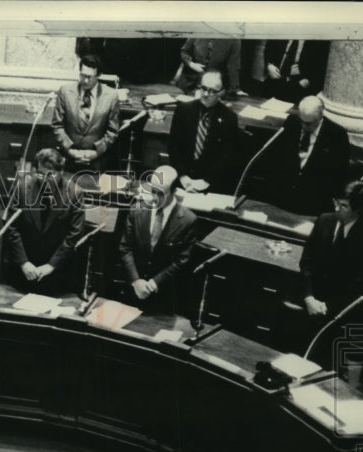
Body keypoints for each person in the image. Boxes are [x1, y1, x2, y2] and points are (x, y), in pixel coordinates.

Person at [1, 148, 87, 294]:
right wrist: (24, 262)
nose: (45, 179)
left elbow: (75, 233)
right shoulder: (21, 187)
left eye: (51, 174)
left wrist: (52, 265)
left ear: (61, 172)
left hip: (56, 271)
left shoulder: (75, 193)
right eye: (40, 174)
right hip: (23, 268)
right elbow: (10, 227)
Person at [119, 165, 199, 313]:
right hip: (132, 292)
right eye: (152, 191)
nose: (155, 197)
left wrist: (154, 284)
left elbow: (182, 261)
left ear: (174, 192)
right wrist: (136, 280)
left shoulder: (188, 220)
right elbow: (125, 248)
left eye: (161, 194)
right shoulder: (136, 210)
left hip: (165, 299)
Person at [265, 95, 349, 216]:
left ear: (320, 116)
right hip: (282, 199)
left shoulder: (336, 135)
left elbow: (337, 176)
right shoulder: (292, 123)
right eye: (301, 121)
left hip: (314, 205)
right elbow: (278, 159)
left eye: (308, 123)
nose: (303, 126)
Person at [300, 180, 363, 321]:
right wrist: (308, 297)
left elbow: (359, 282)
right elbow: (306, 262)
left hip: (340, 310)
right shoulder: (324, 221)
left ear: (358, 208)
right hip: (311, 299)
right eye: (336, 203)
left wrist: (328, 306)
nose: (337, 209)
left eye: (344, 206)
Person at [168, 70, 241, 194]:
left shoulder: (229, 118)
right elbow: (173, 146)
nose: (206, 94)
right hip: (182, 182)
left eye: (212, 91)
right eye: (203, 88)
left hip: (211, 184)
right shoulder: (183, 110)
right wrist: (183, 176)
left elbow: (228, 156)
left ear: (221, 92)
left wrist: (206, 181)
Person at [51, 54, 120, 174]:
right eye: (82, 75)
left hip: (97, 163)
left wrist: (95, 152)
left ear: (98, 76)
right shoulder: (65, 92)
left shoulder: (111, 96)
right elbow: (57, 125)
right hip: (68, 161)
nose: (85, 80)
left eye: (90, 77)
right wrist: (71, 151)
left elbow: (112, 131)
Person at [264, 39, 330, 103]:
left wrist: (308, 81)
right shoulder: (283, 32)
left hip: (299, 87)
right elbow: (268, 50)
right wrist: (269, 65)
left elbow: (322, 68)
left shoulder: (317, 40)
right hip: (275, 81)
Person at [175, 38, 242, 97]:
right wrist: (191, 64)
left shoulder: (234, 39)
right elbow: (184, 51)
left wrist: (235, 88)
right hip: (190, 83)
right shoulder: (198, 31)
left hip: (213, 85)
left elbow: (233, 65)